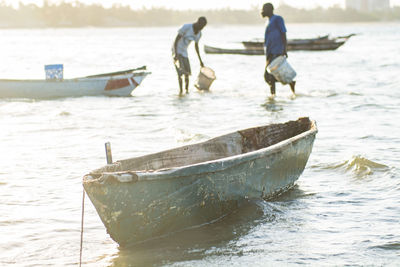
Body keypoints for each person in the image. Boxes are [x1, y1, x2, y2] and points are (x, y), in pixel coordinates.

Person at [261, 3, 295, 96]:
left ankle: (273, 96)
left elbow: (283, 33)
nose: (262, 11)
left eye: (264, 9)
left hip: (277, 51)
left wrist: (285, 49)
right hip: (269, 52)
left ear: (270, 10)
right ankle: (290, 83)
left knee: (270, 76)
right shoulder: (268, 21)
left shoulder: (277, 19)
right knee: (267, 76)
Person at [172, 17, 207, 95]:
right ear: (197, 23)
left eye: (203, 27)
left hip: (184, 52)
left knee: (187, 73)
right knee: (180, 73)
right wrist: (176, 54)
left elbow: (196, 47)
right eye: (200, 26)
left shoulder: (199, 33)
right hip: (177, 50)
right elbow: (176, 40)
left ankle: (186, 91)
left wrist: (200, 60)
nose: (201, 28)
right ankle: (181, 91)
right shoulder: (186, 27)